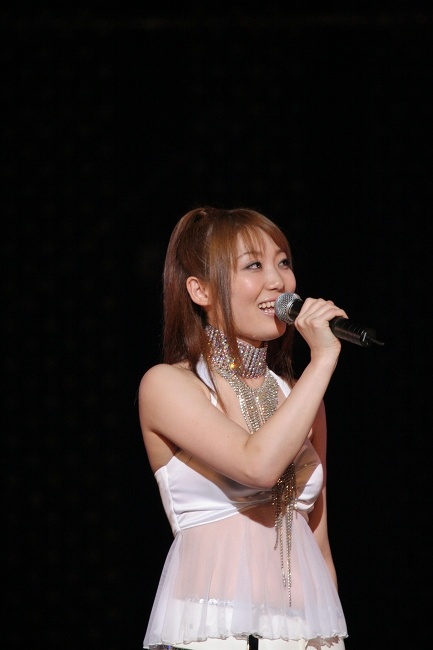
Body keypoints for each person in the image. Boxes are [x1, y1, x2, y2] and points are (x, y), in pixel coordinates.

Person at [138, 206, 348, 650]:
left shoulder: (300, 397)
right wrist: (323, 359)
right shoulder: (169, 385)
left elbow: (319, 540)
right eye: (254, 265)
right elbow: (258, 466)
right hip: (215, 629)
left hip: (305, 632)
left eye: (283, 262)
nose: (278, 281)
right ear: (200, 290)